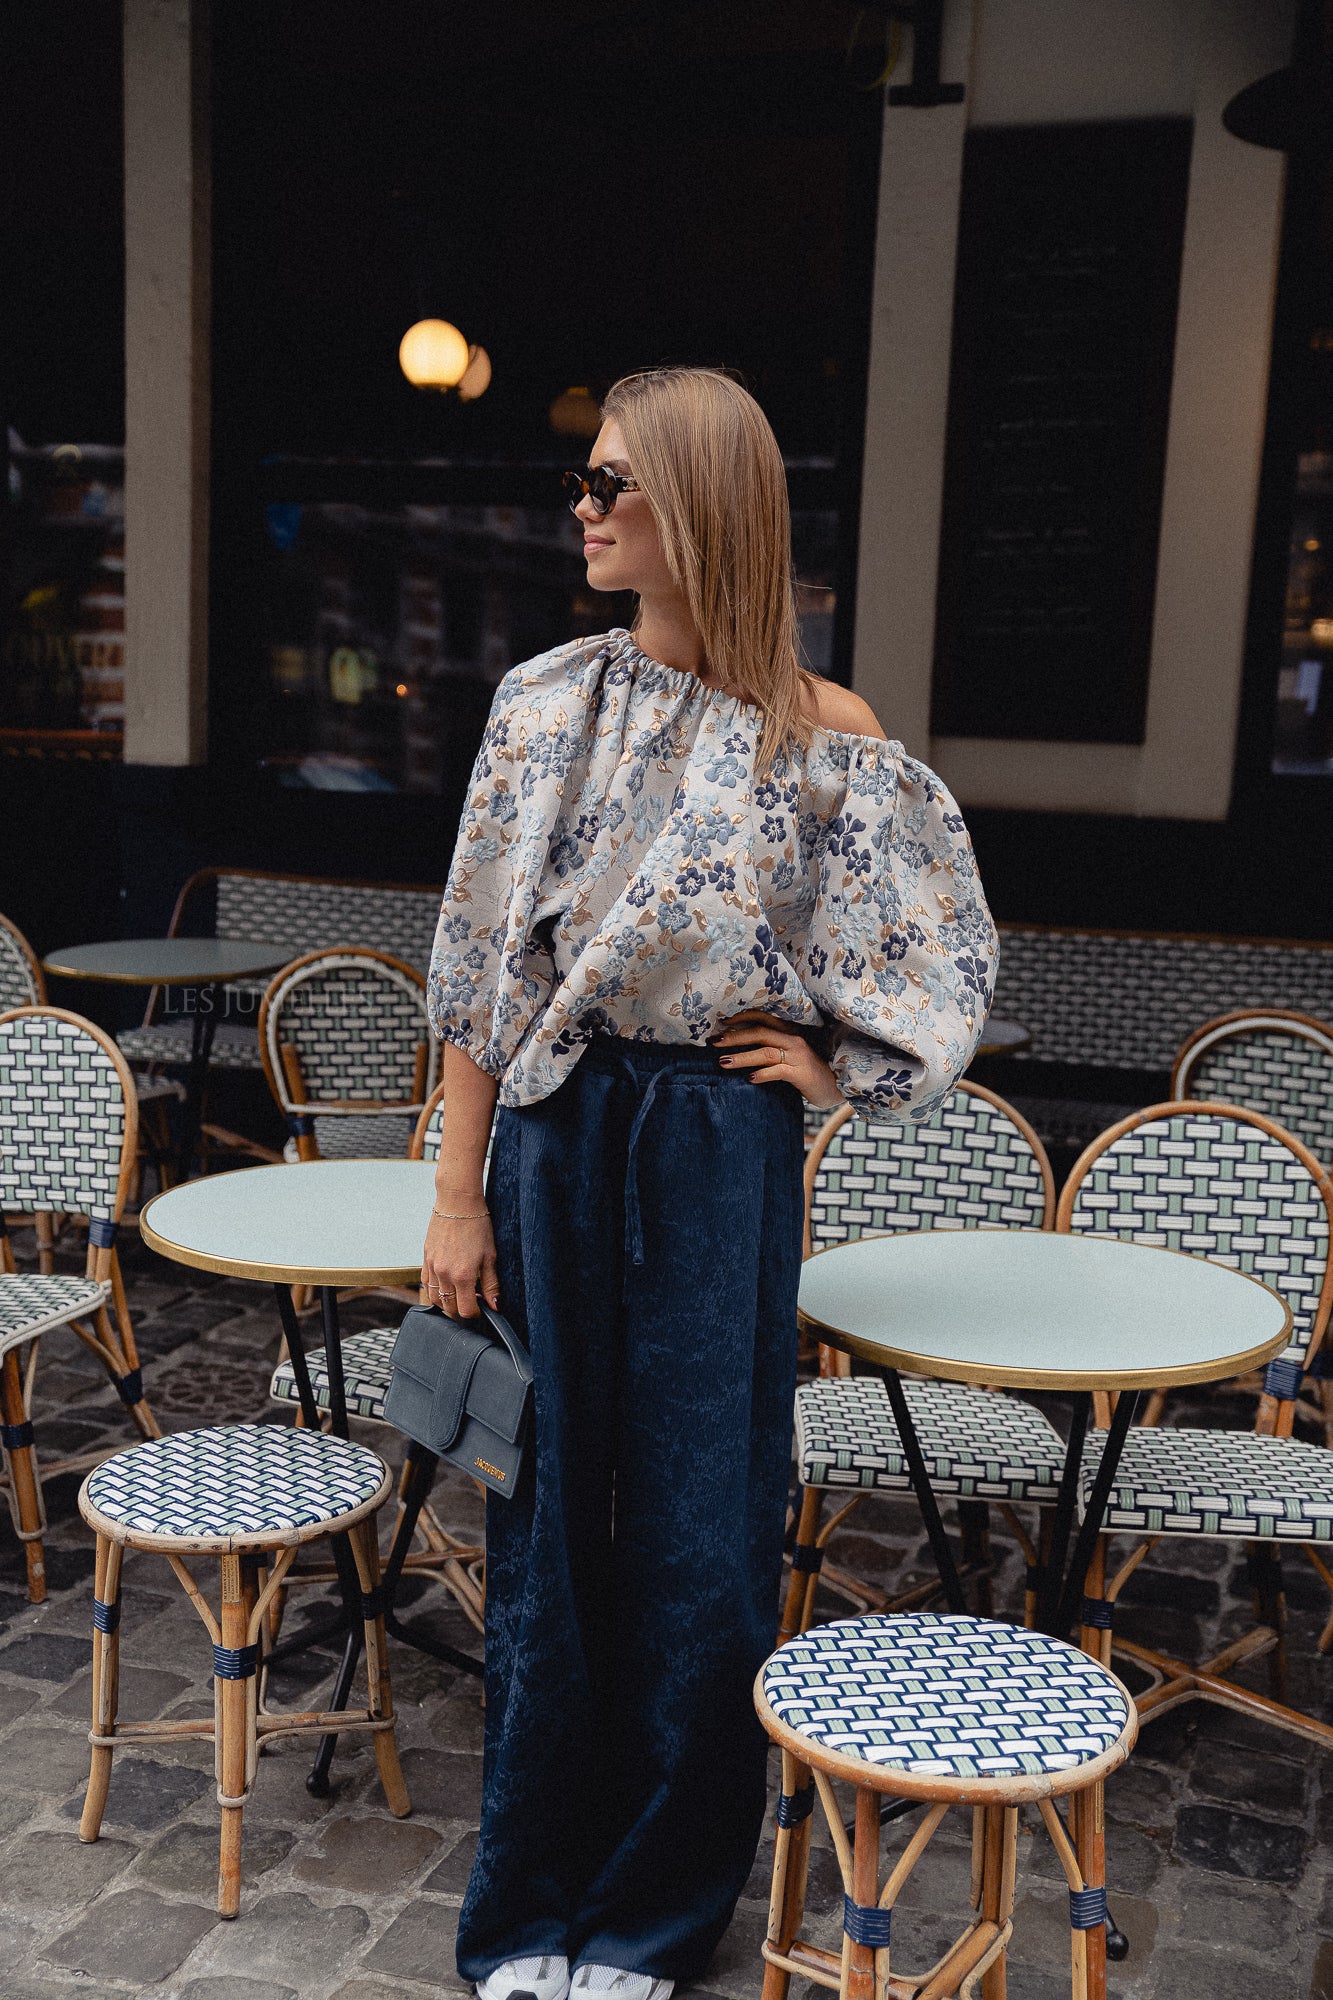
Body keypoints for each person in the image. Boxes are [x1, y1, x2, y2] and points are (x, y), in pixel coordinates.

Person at [421, 367, 997, 2000]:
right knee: (543, 1517)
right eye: (585, 485)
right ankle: (530, 1909)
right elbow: (477, 969)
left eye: (616, 484)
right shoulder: (541, 703)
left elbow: (925, 946)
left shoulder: (829, 740)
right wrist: (455, 1189)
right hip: (552, 1128)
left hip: (714, 1148)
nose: (585, 509)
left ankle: (658, 1919)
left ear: (705, 505)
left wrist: (836, 1064)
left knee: (701, 1530)